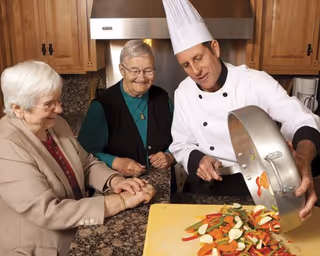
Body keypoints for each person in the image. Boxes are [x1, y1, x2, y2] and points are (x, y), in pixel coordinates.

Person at [162, 0, 319, 220]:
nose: (196, 71)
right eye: (186, 65)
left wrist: (303, 158)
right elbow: (180, 144)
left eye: (198, 58)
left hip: (258, 185)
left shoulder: (253, 82)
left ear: (214, 49)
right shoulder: (183, 93)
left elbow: (302, 119)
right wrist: (198, 160)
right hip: (206, 186)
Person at [0, 60, 156, 256]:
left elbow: (86, 163)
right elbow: (48, 212)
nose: (59, 110)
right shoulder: (6, 146)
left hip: (75, 232)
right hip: (38, 249)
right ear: (18, 108)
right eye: (48, 104)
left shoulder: (56, 124)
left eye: (58, 100)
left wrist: (114, 180)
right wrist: (121, 202)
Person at [78, 40, 176, 189]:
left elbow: (182, 137)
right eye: (134, 71)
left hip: (164, 187)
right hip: (120, 186)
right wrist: (115, 162)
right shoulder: (103, 105)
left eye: (148, 70)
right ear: (122, 70)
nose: (142, 78)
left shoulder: (163, 98)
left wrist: (170, 156)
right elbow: (83, 152)